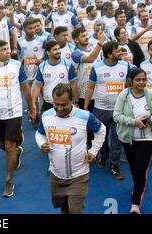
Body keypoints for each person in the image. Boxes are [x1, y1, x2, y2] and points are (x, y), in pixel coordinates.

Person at [36, 84, 106, 214]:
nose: (59, 108)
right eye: (56, 104)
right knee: (63, 207)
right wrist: (41, 144)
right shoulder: (46, 116)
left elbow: (101, 130)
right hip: (56, 174)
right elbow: (39, 133)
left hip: (79, 174)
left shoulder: (85, 116)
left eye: (63, 104)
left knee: (74, 210)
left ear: (72, 101)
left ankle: (77, 201)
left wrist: (93, 151)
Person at [0, 38, 36, 197]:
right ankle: (17, 150)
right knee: (2, 146)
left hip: (15, 111)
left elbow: (26, 89)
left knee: (9, 148)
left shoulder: (17, 66)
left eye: (8, 48)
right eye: (3, 50)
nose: (8, 52)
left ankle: (9, 180)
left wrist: (32, 109)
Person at [113, 68, 152, 214]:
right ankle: (138, 186)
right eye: (138, 80)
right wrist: (133, 122)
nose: (141, 83)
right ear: (131, 81)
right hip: (128, 139)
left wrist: (150, 120)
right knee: (134, 168)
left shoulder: (150, 94)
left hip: (148, 139)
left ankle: (135, 204)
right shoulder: (124, 95)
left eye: (144, 79)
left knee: (141, 169)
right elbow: (117, 116)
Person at [84, 41, 132, 180]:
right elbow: (90, 87)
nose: (121, 53)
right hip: (100, 109)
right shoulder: (97, 67)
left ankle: (114, 165)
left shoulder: (125, 65)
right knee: (101, 137)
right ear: (109, 54)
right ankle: (104, 155)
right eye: (118, 51)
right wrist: (86, 106)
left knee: (117, 139)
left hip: (119, 110)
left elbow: (128, 83)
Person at [31, 40, 79, 113]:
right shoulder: (42, 66)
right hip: (48, 104)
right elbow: (37, 86)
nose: (58, 51)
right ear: (48, 52)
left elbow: (74, 84)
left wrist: (77, 102)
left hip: (65, 105)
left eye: (58, 49)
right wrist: (33, 103)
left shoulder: (68, 65)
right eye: (55, 49)